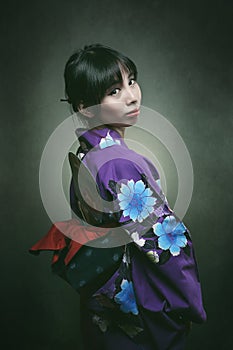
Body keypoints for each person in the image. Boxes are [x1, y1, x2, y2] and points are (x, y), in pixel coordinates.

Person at [30, 44, 206, 350]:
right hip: (137, 305)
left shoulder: (90, 154)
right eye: (114, 90)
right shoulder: (118, 163)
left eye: (132, 80)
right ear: (86, 107)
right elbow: (165, 245)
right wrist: (188, 303)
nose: (132, 95)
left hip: (104, 303)